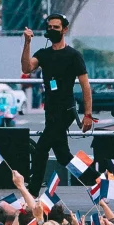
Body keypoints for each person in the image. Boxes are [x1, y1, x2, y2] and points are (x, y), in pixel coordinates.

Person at [20, 15, 95, 190]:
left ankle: (33, 190)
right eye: (50, 27)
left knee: (41, 149)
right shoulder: (43, 54)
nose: (52, 30)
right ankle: (97, 179)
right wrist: (27, 43)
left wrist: (88, 115)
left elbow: (85, 86)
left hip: (66, 111)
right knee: (63, 156)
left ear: (65, 29)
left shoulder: (74, 55)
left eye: (56, 27)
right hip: (51, 111)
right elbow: (26, 68)